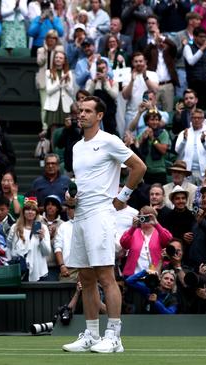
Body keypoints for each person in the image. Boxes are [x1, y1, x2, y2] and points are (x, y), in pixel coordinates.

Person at [62, 96, 146, 353]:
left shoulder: (110, 140)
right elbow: (83, 181)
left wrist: (123, 198)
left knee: (106, 277)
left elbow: (138, 167)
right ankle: (91, 335)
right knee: (86, 278)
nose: (82, 114)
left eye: (88, 111)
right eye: (80, 110)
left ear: (99, 115)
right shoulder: (77, 147)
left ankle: (115, 337)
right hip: (81, 215)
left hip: (101, 215)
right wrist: (71, 198)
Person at [120, 206, 173, 277]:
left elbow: (169, 240)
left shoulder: (159, 232)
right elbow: (124, 243)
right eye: (143, 216)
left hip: (153, 276)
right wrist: (133, 228)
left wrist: (157, 225)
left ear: (154, 218)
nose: (145, 219)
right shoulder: (133, 232)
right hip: (133, 276)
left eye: (148, 217)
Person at [7, 197, 51, 282]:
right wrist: (10, 263)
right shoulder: (15, 228)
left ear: (36, 213)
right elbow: (8, 247)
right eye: (27, 209)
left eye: (33, 210)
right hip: (19, 270)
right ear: (23, 212)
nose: (30, 212)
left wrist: (41, 239)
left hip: (38, 270)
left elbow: (47, 252)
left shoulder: (43, 228)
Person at [175, 108, 206, 183]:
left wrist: (204, 141)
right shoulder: (184, 132)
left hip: (203, 171)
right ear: (191, 119)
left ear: (203, 119)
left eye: (199, 118)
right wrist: (184, 140)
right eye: (194, 118)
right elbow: (177, 151)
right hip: (187, 172)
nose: (196, 120)